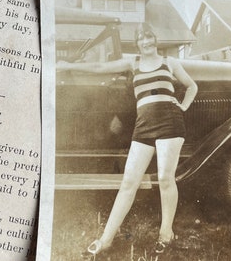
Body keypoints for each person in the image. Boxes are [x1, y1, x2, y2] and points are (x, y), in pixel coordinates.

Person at [56, 22, 198, 255]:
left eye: (149, 37)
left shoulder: (170, 63)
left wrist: (183, 105)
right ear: (138, 43)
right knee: (129, 182)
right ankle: (106, 239)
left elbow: (192, 86)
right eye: (141, 38)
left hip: (170, 123)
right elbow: (101, 66)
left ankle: (166, 234)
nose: (146, 41)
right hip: (144, 126)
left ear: (155, 39)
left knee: (164, 178)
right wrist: (67, 65)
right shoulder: (132, 63)